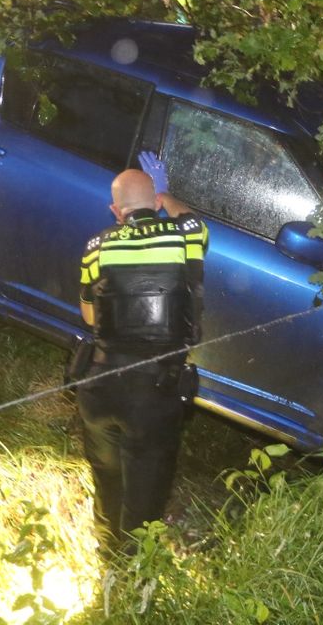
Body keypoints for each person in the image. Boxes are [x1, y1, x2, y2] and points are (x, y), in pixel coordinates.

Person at [75, 151, 207, 552]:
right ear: (155, 201)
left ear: (116, 210)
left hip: (98, 386)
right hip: (153, 395)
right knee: (144, 500)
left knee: (106, 480)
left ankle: (105, 554)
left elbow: (87, 316)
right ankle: (132, 584)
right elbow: (194, 221)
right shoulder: (185, 236)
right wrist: (165, 194)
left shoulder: (96, 246)